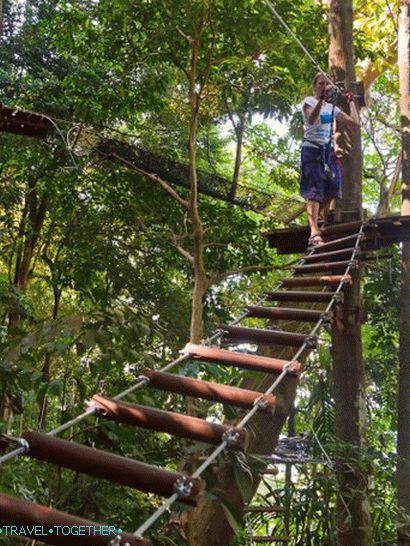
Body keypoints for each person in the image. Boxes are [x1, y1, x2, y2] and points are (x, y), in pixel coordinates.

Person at [300, 73, 359, 246]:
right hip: (311, 149)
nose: (324, 86)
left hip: (328, 151)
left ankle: (316, 216)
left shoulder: (333, 108)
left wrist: (350, 102)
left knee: (334, 187)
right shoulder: (309, 101)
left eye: (327, 84)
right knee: (314, 189)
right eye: (320, 83)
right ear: (315, 86)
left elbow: (354, 123)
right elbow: (312, 118)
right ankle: (314, 232)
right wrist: (322, 99)